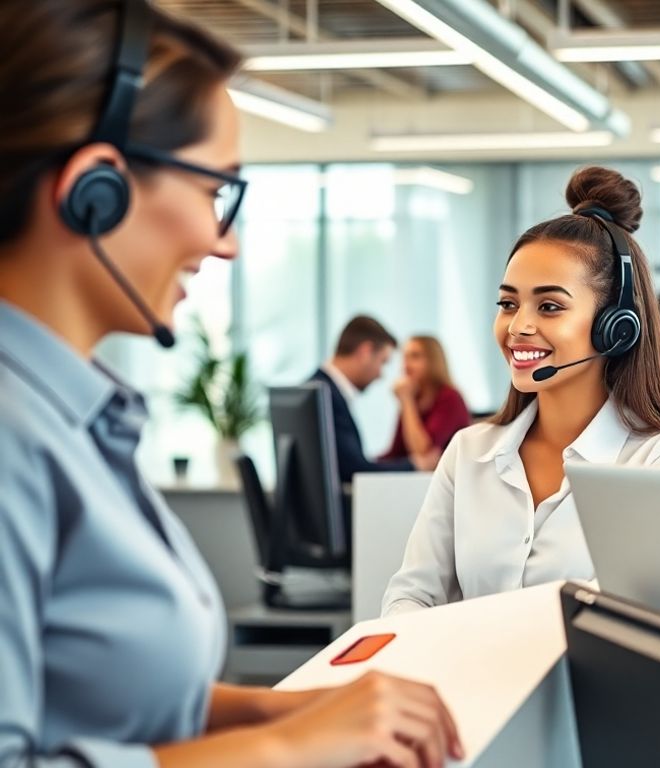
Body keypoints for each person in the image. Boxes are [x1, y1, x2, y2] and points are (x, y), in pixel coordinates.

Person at [0, 2, 461, 766]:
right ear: (97, 192)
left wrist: (282, 710)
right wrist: (283, 748)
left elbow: (103, 691)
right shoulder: (13, 436)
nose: (228, 243)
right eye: (218, 192)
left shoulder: (75, 416)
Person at [382, 167, 660, 614]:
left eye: (550, 306)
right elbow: (412, 593)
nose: (519, 326)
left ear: (615, 328)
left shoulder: (657, 460)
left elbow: (625, 619)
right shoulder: (469, 452)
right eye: (507, 303)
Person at [308, 314, 413, 481]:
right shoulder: (327, 397)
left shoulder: (317, 387)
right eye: (382, 362)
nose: (381, 375)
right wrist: (414, 466)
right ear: (365, 352)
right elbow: (356, 470)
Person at [379, 335, 471, 471]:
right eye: (405, 358)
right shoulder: (414, 399)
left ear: (433, 361)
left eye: (415, 356)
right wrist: (364, 464)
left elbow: (422, 451)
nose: (406, 365)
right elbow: (396, 452)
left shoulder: (450, 398)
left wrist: (406, 400)